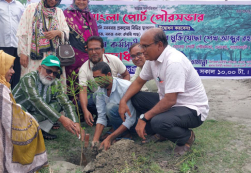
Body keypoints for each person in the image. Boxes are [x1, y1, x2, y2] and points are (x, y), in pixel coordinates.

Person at [119, 28, 209, 156]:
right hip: (171, 103)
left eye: (145, 46)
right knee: (137, 98)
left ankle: (187, 137)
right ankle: (163, 133)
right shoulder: (152, 59)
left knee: (158, 122)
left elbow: (170, 100)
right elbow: (139, 82)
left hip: (192, 109)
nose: (142, 51)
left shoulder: (174, 62)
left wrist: (143, 118)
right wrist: (123, 100)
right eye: (141, 46)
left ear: (159, 45)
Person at [12, 55, 80, 140]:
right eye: (49, 71)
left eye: (55, 73)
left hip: (34, 113)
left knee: (58, 104)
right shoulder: (29, 78)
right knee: (22, 108)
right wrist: (61, 118)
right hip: (18, 113)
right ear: (40, 68)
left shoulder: (55, 83)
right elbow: (37, 101)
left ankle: (40, 130)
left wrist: (75, 122)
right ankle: (27, 130)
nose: (51, 75)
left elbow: (65, 102)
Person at [17, 0, 69, 81]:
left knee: (52, 82)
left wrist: (57, 32)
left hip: (53, 55)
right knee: (32, 80)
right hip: (33, 56)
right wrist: (22, 53)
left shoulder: (59, 12)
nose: (53, 0)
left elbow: (66, 31)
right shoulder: (31, 9)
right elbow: (22, 32)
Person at [79, 36, 130, 126]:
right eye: (90, 49)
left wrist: (124, 97)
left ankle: (109, 117)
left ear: (103, 50)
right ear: (87, 51)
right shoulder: (84, 69)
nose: (94, 52)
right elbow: (83, 91)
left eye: (97, 49)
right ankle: (104, 117)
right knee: (85, 102)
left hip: (117, 96)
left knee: (112, 107)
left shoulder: (113, 59)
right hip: (99, 98)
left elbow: (126, 75)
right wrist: (85, 111)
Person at [91, 62, 136, 150]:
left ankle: (125, 134)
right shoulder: (101, 89)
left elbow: (131, 119)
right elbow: (101, 116)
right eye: (95, 78)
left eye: (99, 77)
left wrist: (109, 138)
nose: (97, 81)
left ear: (108, 74)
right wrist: (95, 140)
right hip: (119, 118)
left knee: (110, 108)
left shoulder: (125, 87)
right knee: (95, 95)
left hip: (134, 122)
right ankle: (115, 130)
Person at [63, 0, 99, 89]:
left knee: (87, 83)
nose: (81, 2)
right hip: (72, 57)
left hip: (88, 56)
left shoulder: (90, 16)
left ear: (88, 1)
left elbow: (96, 36)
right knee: (72, 83)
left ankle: (86, 104)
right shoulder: (65, 14)